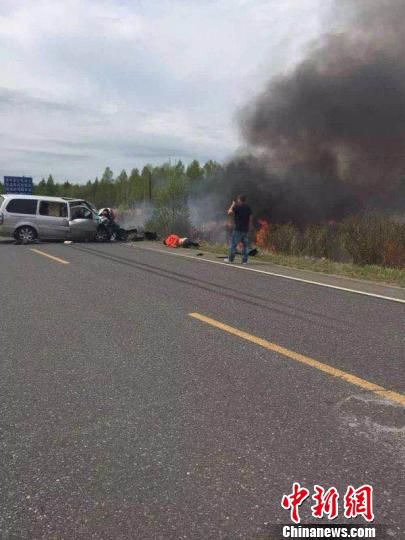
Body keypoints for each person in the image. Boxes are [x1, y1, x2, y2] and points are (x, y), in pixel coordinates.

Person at [225, 194, 252, 264]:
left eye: (238, 199)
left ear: (239, 200)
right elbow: (250, 218)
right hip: (245, 229)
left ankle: (230, 259)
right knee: (245, 246)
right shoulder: (248, 207)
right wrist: (249, 227)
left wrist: (233, 204)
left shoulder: (237, 207)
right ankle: (244, 261)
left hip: (238, 229)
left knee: (233, 244)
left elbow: (229, 212)